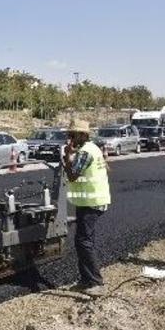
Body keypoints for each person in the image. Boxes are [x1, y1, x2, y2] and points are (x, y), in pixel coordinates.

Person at [62, 119, 111, 297]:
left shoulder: (85, 153)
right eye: (69, 135)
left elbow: (73, 176)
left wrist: (67, 157)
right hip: (91, 201)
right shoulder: (93, 148)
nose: (70, 138)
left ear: (83, 135)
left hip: (91, 202)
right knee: (84, 240)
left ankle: (95, 282)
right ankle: (86, 280)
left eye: (73, 135)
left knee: (83, 241)